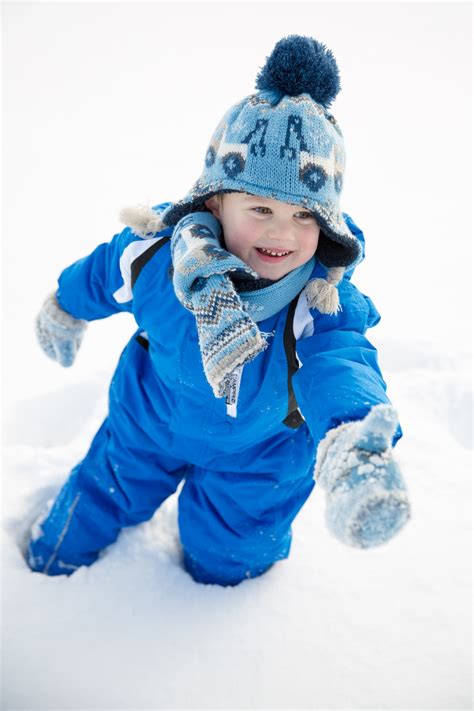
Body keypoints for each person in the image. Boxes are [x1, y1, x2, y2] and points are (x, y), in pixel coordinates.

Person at [26, 35, 410, 586]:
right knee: (97, 497)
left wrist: (354, 449)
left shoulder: (318, 301)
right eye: (260, 208)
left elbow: (342, 366)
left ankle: (214, 615)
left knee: (230, 549)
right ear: (214, 200)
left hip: (260, 454)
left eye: (306, 216)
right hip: (149, 419)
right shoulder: (159, 254)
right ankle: (43, 574)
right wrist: (65, 307)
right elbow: (104, 272)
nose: (283, 232)